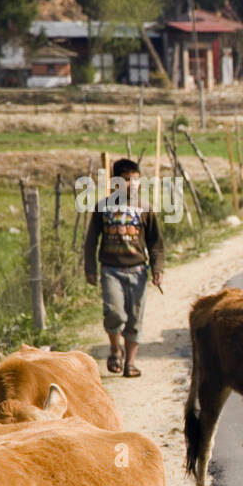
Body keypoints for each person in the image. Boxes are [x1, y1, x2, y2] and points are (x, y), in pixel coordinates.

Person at [84, 158, 165, 377]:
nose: (132, 185)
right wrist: (90, 267)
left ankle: (130, 363)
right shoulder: (103, 207)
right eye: (127, 180)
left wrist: (157, 269)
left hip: (138, 271)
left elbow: (155, 243)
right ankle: (114, 349)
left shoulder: (145, 209)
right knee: (114, 313)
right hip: (111, 270)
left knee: (135, 318)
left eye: (136, 180)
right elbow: (91, 240)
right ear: (115, 182)